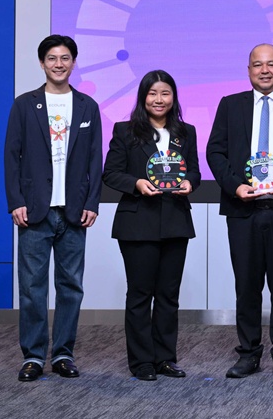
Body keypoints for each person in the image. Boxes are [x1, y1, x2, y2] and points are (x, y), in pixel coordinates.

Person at [206, 44, 273, 380]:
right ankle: (248, 353)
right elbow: (215, 152)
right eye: (258, 65)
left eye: (271, 64)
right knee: (247, 285)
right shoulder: (230, 105)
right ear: (249, 70)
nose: (264, 70)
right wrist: (235, 186)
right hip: (243, 209)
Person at [4, 35, 102, 382]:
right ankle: (33, 356)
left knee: (71, 286)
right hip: (34, 211)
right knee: (32, 288)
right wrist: (16, 201)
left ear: (73, 62)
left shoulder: (88, 106)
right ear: (42, 63)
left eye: (64, 58)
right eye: (51, 58)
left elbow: (95, 159)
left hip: (74, 211)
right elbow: (11, 157)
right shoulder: (24, 105)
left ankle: (63, 353)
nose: (58, 64)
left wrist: (92, 202)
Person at [103, 70, 200, 381]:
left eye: (165, 93)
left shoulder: (186, 132)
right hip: (137, 222)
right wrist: (137, 183)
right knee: (140, 294)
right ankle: (142, 361)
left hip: (175, 220)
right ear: (143, 97)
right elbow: (111, 173)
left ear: (173, 97)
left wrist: (190, 183)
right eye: (153, 93)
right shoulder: (125, 131)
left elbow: (194, 172)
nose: (159, 99)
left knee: (169, 295)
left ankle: (165, 358)